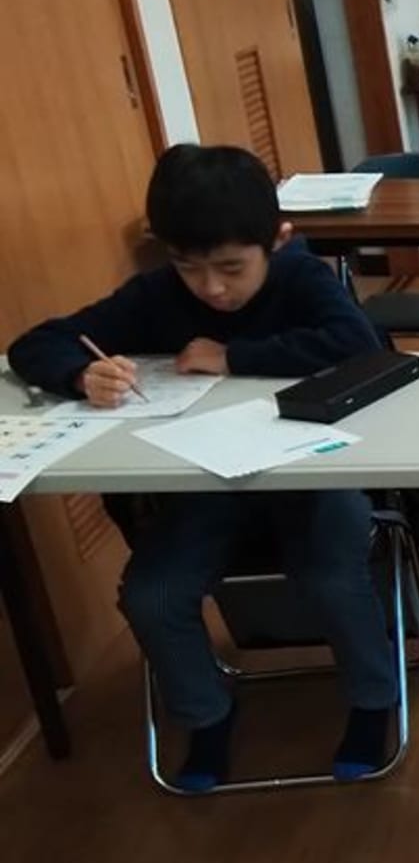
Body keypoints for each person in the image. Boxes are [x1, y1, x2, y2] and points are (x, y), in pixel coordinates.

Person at [7, 144, 396, 791]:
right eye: (189, 268)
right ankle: (206, 713)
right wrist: (80, 373)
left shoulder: (301, 277)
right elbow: (36, 343)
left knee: (331, 577)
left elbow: (357, 344)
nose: (212, 288)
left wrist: (234, 355)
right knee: (151, 595)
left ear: (278, 239)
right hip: (206, 486)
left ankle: (373, 700)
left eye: (231, 268)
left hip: (312, 477)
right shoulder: (157, 294)